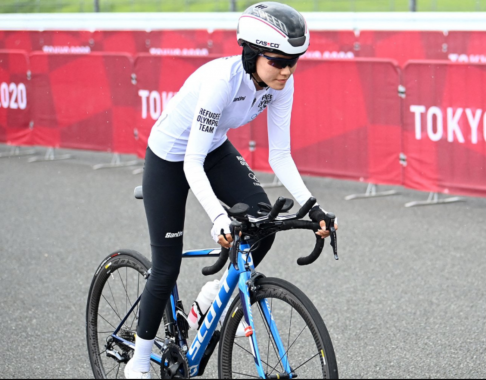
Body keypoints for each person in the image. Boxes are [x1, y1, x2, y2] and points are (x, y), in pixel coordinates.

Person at [124, 2, 338, 378]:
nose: (287, 70)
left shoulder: (278, 83)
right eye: (278, 61)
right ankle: (138, 364)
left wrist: (312, 207)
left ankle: (211, 297)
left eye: (293, 61)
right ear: (253, 53)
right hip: (172, 156)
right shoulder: (222, 82)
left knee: (262, 222)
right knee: (166, 267)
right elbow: (190, 161)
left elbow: (281, 155)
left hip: (213, 148)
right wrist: (219, 218)